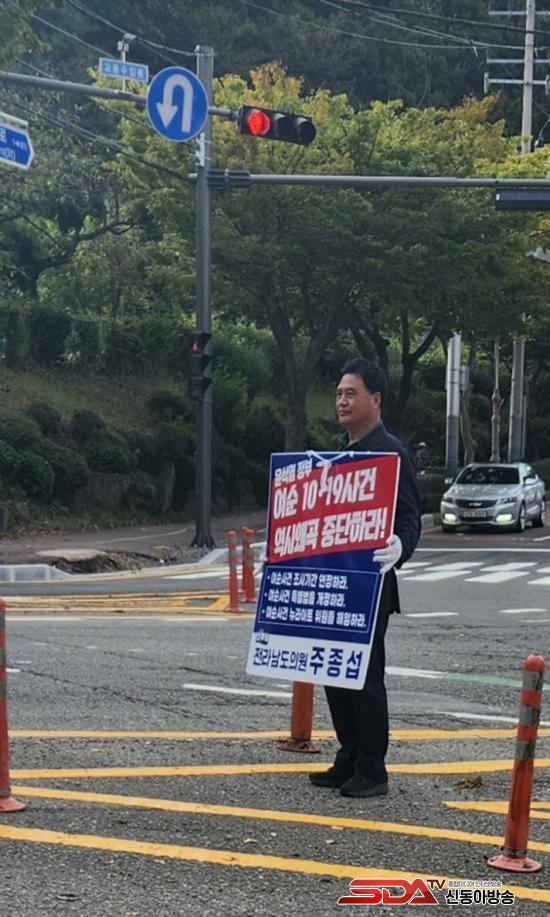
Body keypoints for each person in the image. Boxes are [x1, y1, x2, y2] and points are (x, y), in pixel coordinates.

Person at [309, 357, 421, 798]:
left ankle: (373, 768)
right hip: (334, 584)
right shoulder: (336, 454)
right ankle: (349, 756)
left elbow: (410, 517)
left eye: (350, 393)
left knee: (364, 678)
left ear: (375, 400)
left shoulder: (392, 452)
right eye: (338, 393)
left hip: (370, 586)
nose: (342, 400)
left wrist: (399, 547)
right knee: (334, 673)